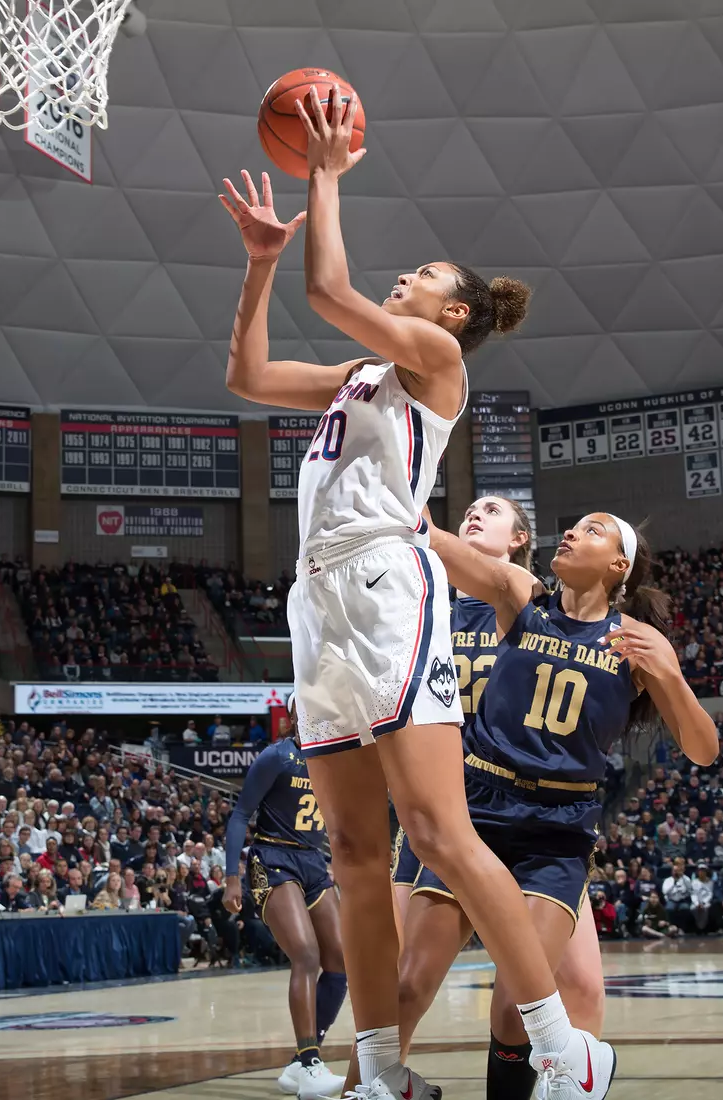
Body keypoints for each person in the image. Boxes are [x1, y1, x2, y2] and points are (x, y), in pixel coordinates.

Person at [218, 87, 606, 1100]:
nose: (406, 276)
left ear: (457, 313)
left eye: (425, 274)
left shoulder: (435, 364)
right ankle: (383, 1067)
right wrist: (259, 262)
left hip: (391, 581)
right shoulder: (358, 375)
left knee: (436, 830)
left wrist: (325, 177)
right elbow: (250, 374)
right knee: (353, 847)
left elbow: (334, 286)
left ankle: (563, 1045)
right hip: (317, 597)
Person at [389, 508, 719, 1099]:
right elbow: (433, 541)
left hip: (556, 832)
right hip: (479, 811)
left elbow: (702, 749)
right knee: (409, 985)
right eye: (572, 527)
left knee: (514, 1008)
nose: (570, 533)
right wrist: (400, 501)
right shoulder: (521, 593)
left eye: (592, 530)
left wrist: (671, 674)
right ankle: (384, 1081)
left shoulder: (635, 644)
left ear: (619, 564)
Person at [223, 697, 348, 1099]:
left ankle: (301, 1061)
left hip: (313, 861)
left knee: (341, 963)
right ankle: (310, 1065)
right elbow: (241, 814)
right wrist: (230, 878)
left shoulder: (331, 759)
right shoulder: (276, 757)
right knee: (307, 956)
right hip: (273, 858)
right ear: (295, 714)